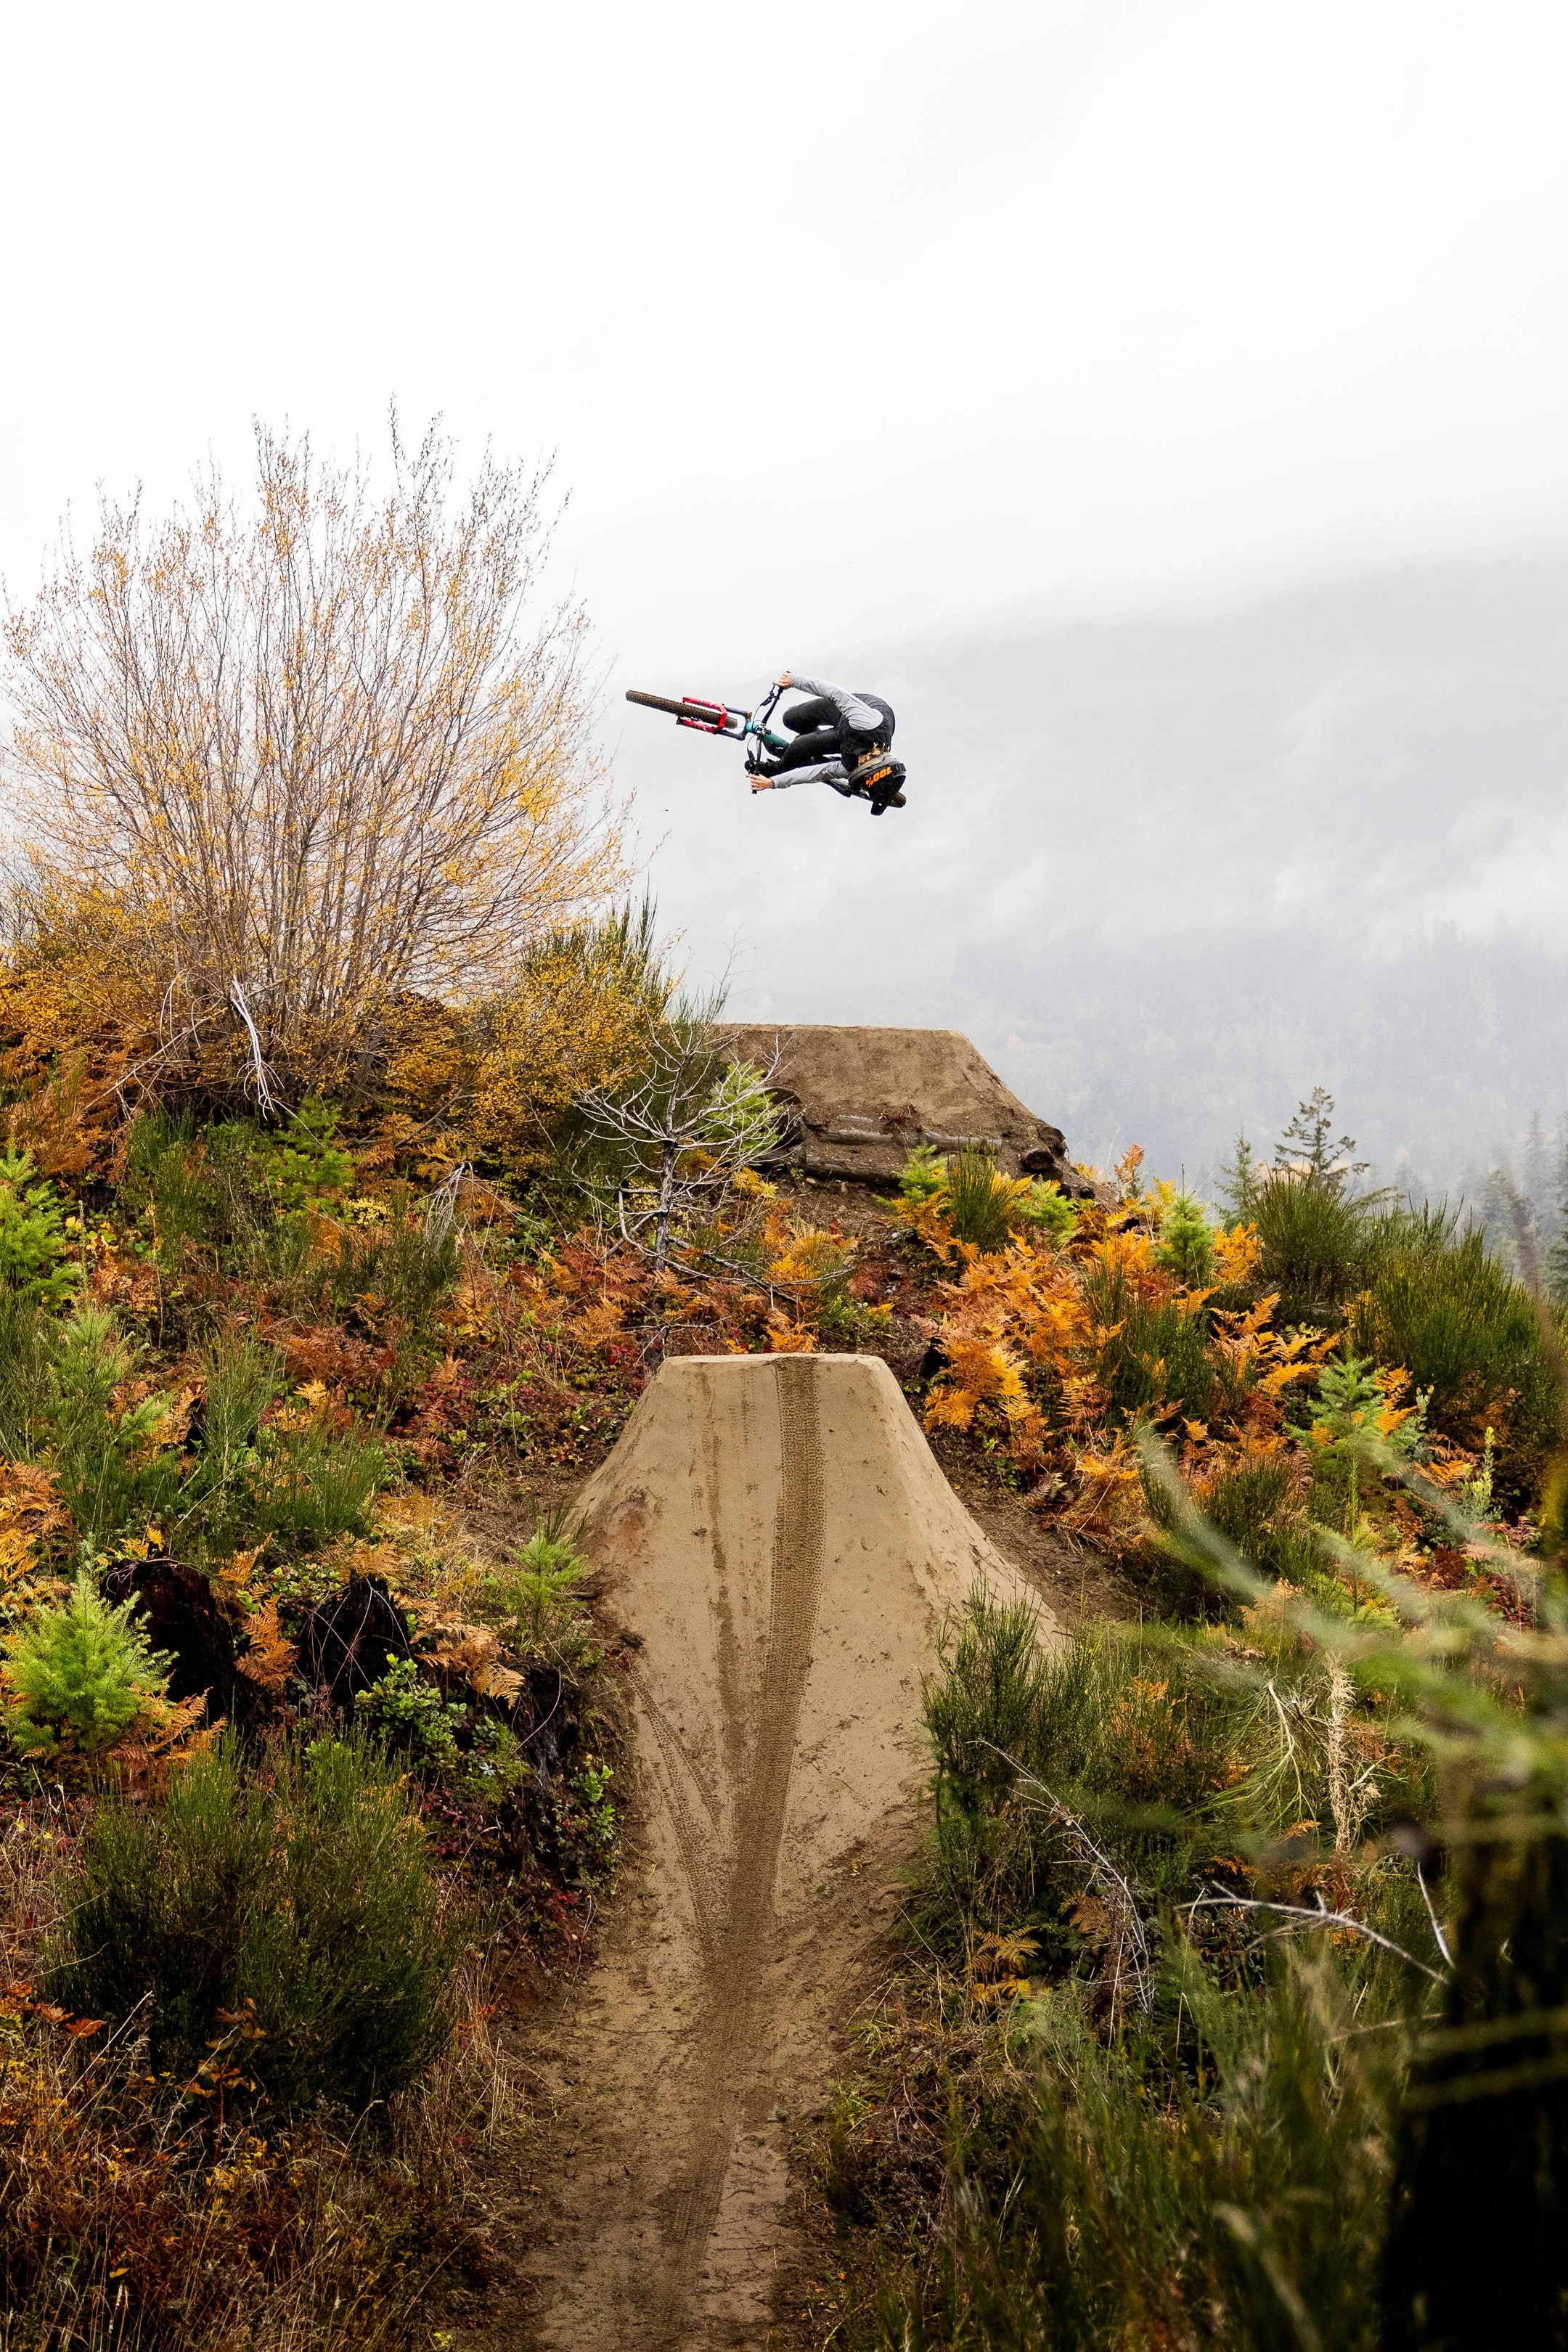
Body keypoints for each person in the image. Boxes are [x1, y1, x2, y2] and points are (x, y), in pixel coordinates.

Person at [747, 671, 906, 812]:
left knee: (799, 746)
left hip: (846, 737)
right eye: (862, 763)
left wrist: (773, 782)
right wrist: (795, 681)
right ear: (873, 759)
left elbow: (815, 774)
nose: (858, 764)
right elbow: (834, 693)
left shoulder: (850, 767)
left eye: (859, 767)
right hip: (853, 716)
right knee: (790, 719)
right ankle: (812, 753)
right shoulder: (868, 722)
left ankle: (780, 766)